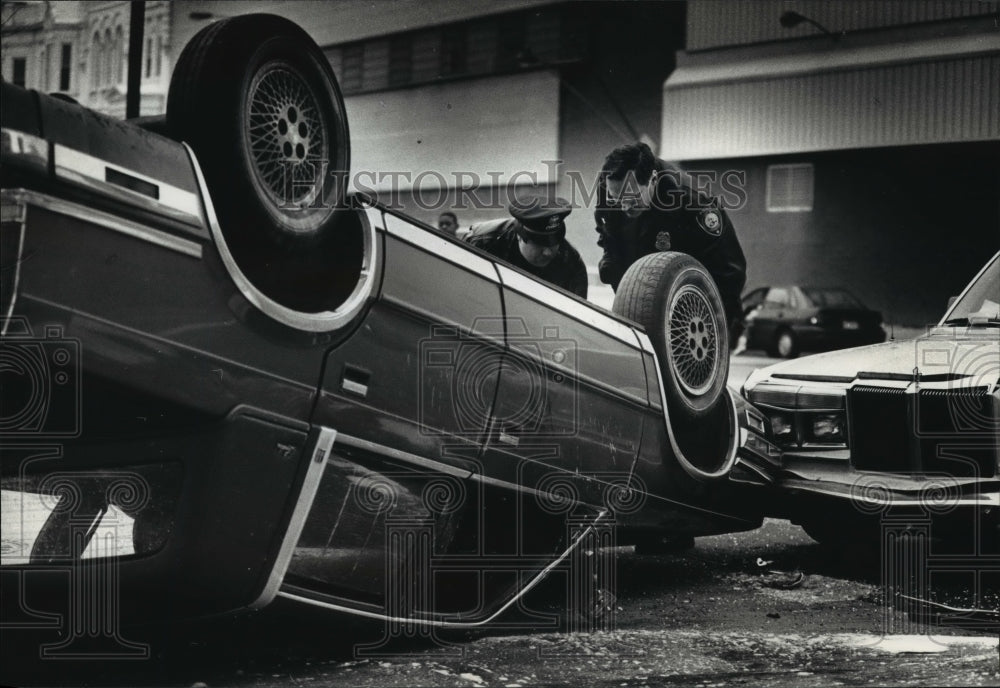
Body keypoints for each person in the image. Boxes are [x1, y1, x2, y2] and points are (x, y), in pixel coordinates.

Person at [595, 142, 747, 344]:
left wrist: (712, 327)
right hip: (643, 285)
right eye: (617, 199)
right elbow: (608, 231)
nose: (624, 207)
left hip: (694, 297)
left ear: (653, 180)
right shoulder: (608, 185)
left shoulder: (692, 201)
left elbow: (729, 272)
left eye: (632, 198)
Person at [464, 196, 588, 298]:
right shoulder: (483, 243)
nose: (548, 253)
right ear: (520, 236)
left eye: (554, 243)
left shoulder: (570, 261)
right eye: (540, 244)